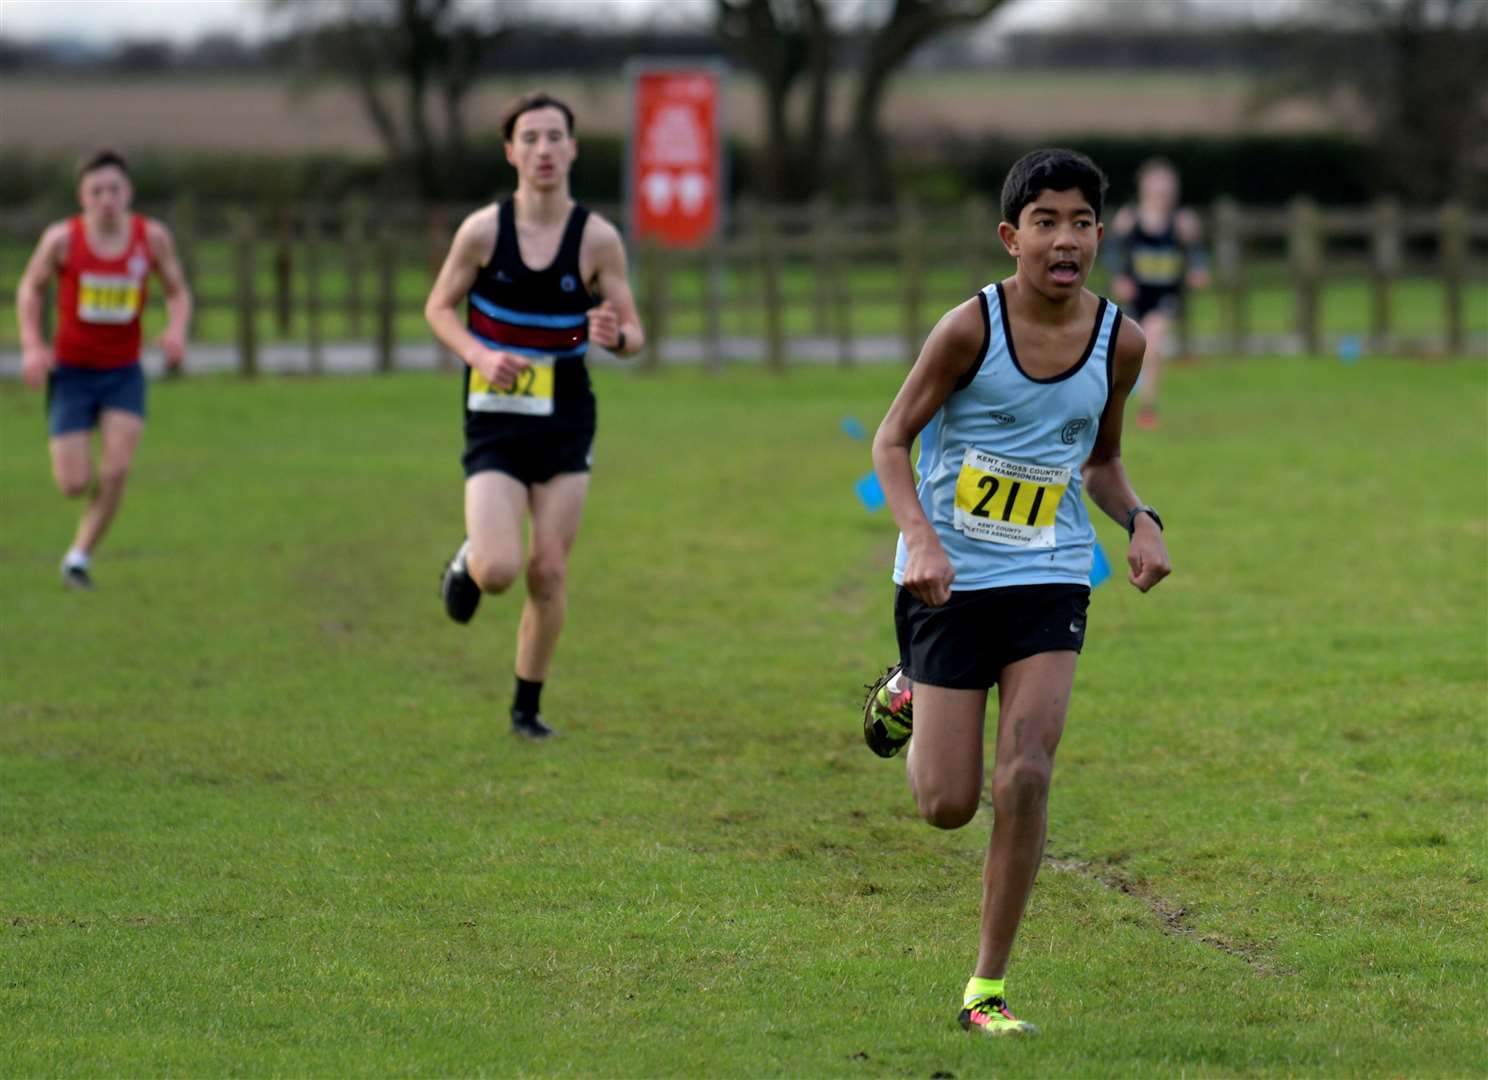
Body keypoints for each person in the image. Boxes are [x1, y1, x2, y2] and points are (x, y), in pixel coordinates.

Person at [860, 148, 1171, 1037]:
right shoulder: (968, 330)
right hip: (948, 580)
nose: (1065, 240)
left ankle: (985, 990)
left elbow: (1103, 461)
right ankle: (910, 686)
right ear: (1011, 237)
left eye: (1081, 222)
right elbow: (891, 441)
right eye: (1046, 222)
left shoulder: (1123, 340)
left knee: (1027, 772)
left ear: (1101, 235)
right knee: (946, 805)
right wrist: (918, 537)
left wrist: (1140, 519)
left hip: (1051, 574)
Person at [424, 92, 645, 740]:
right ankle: (467, 561)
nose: (543, 149)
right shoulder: (483, 232)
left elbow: (634, 334)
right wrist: (477, 353)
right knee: (499, 570)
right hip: (494, 419)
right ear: (511, 151)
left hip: (567, 420)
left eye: (555, 137)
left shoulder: (598, 238)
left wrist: (615, 336)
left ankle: (527, 707)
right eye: (530, 138)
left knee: (547, 567)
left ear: (573, 149)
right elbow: (438, 307)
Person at [15, 149, 192, 590]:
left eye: (115, 189)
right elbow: (30, 289)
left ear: (128, 192)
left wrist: (177, 330)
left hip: (123, 373)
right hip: (72, 373)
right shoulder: (62, 240)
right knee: (74, 483)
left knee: (116, 469)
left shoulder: (151, 239)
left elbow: (177, 290)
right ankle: (78, 520)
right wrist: (33, 344)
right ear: (82, 196)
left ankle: (78, 557)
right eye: (97, 190)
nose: (107, 198)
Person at [1108, 158, 1208, 430]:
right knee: (1129, 350)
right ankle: (1125, 393)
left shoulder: (1182, 222)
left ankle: (1147, 408)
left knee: (1152, 342)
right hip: (1137, 295)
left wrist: (1198, 270)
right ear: (1144, 189)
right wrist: (1120, 277)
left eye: (1167, 190)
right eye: (1156, 189)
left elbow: (1196, 251)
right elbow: (1114, 251)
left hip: (1167, 294)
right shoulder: (1129, 219)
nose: (1162, 195)